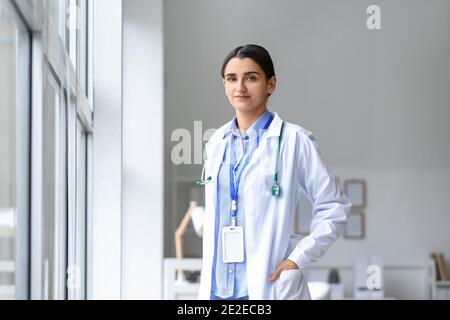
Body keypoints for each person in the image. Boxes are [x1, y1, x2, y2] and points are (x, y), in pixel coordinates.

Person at [198, 44, 351, 300]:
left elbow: (335, 206)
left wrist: (297, 258)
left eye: (252, 77)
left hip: (268, 286)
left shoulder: (294, 140)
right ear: (224, 85)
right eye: (231, 78)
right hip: (217, 291)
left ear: (271, 84)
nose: (240, 87)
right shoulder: (216, 143)